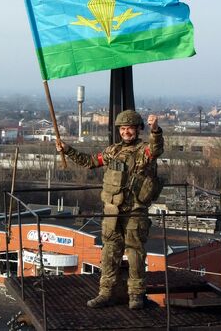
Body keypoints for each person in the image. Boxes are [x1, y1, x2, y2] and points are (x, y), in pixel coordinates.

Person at [56, 110, 164, 310]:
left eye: (129, 128)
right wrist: (67, 150)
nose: (126, 132)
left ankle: (136, 296)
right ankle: (105, 293)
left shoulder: (145, 151)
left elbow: (156, 149)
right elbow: (90, 162)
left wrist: (155, 130)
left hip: (135, 212)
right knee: (109, 253)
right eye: (122, 129)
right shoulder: (112, 151)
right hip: (113, 212)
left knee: (135, 254)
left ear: (138, 129)